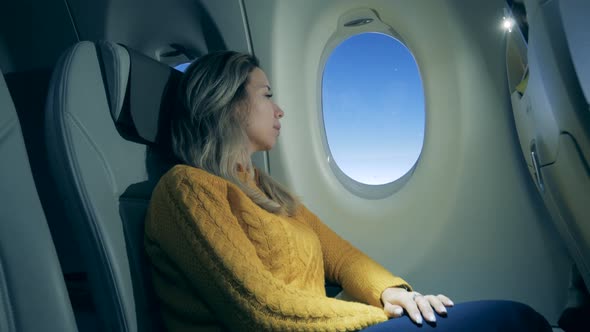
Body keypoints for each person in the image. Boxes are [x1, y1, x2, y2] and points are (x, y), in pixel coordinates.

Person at [144, 51, 552, 331]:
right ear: (226, 103)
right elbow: (260, 311)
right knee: (513, 322)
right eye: (267, 96)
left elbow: (341, 257)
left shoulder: (266, 191)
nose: (279, 109)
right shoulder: (188, 189)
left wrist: (391, 292)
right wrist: (377, 315)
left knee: (516, 320)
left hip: (332, 326)